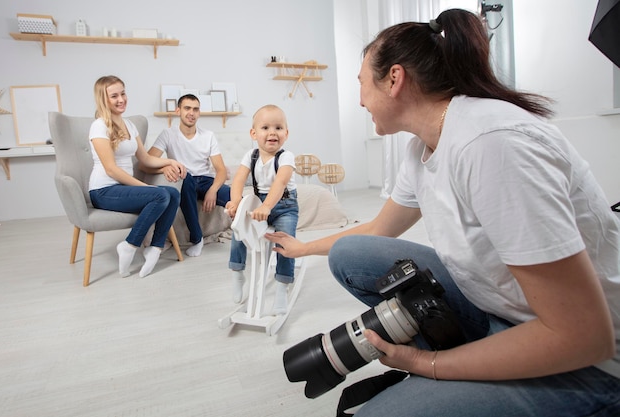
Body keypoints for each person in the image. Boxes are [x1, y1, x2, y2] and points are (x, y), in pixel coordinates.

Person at [266, 9, 620, 417]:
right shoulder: (423, 146)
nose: (360, 99)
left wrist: (426, 365)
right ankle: (476, 356)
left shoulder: (491, 146)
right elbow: (380, 228)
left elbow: (582, 336)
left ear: (394, 79)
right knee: (352, 254)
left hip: (587, 361)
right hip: (505, 311)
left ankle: (471, 366)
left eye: (362, 84)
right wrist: (303, 247)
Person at [88, 75, 186, 278]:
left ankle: (155, 247)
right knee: (160, 195)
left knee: (173, 195)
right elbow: (111, 170)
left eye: (122, 93)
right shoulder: (99, 126)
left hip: (124, 190)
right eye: (114, 96)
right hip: (103, 191)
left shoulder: (130, 126)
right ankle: (129, 245)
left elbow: (146, 159)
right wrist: (146, 188)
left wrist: (170, 161)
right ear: (103, 99)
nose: (121, 99)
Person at [225, 104, 298, 315]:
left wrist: (268, 206)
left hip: (284, 206)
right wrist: (236, 202)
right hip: (260, 205)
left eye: (278, 127)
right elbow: (238, 179)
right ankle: (237, 272)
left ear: (286, 133)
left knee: (285, 240)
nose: (272, 132)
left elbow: (280, 183)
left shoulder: (286, 157)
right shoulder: (251, 155)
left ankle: (282, 287)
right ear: (254, 133)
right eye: (265, 128)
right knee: (238, 228)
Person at [146, 94, 231, 257]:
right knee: (186, 179)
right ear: (178, 111)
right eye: (187, 108)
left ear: (199, 113)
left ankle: (256, 235)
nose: (191, 113)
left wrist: (213, 190)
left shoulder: (208, 136)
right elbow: (146, 163)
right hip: (183, 180)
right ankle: (197, 238)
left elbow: (220, 170)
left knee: (235, 197)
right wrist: (164, 168)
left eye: (195, 109)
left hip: (206, 181)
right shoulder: (167, 134)